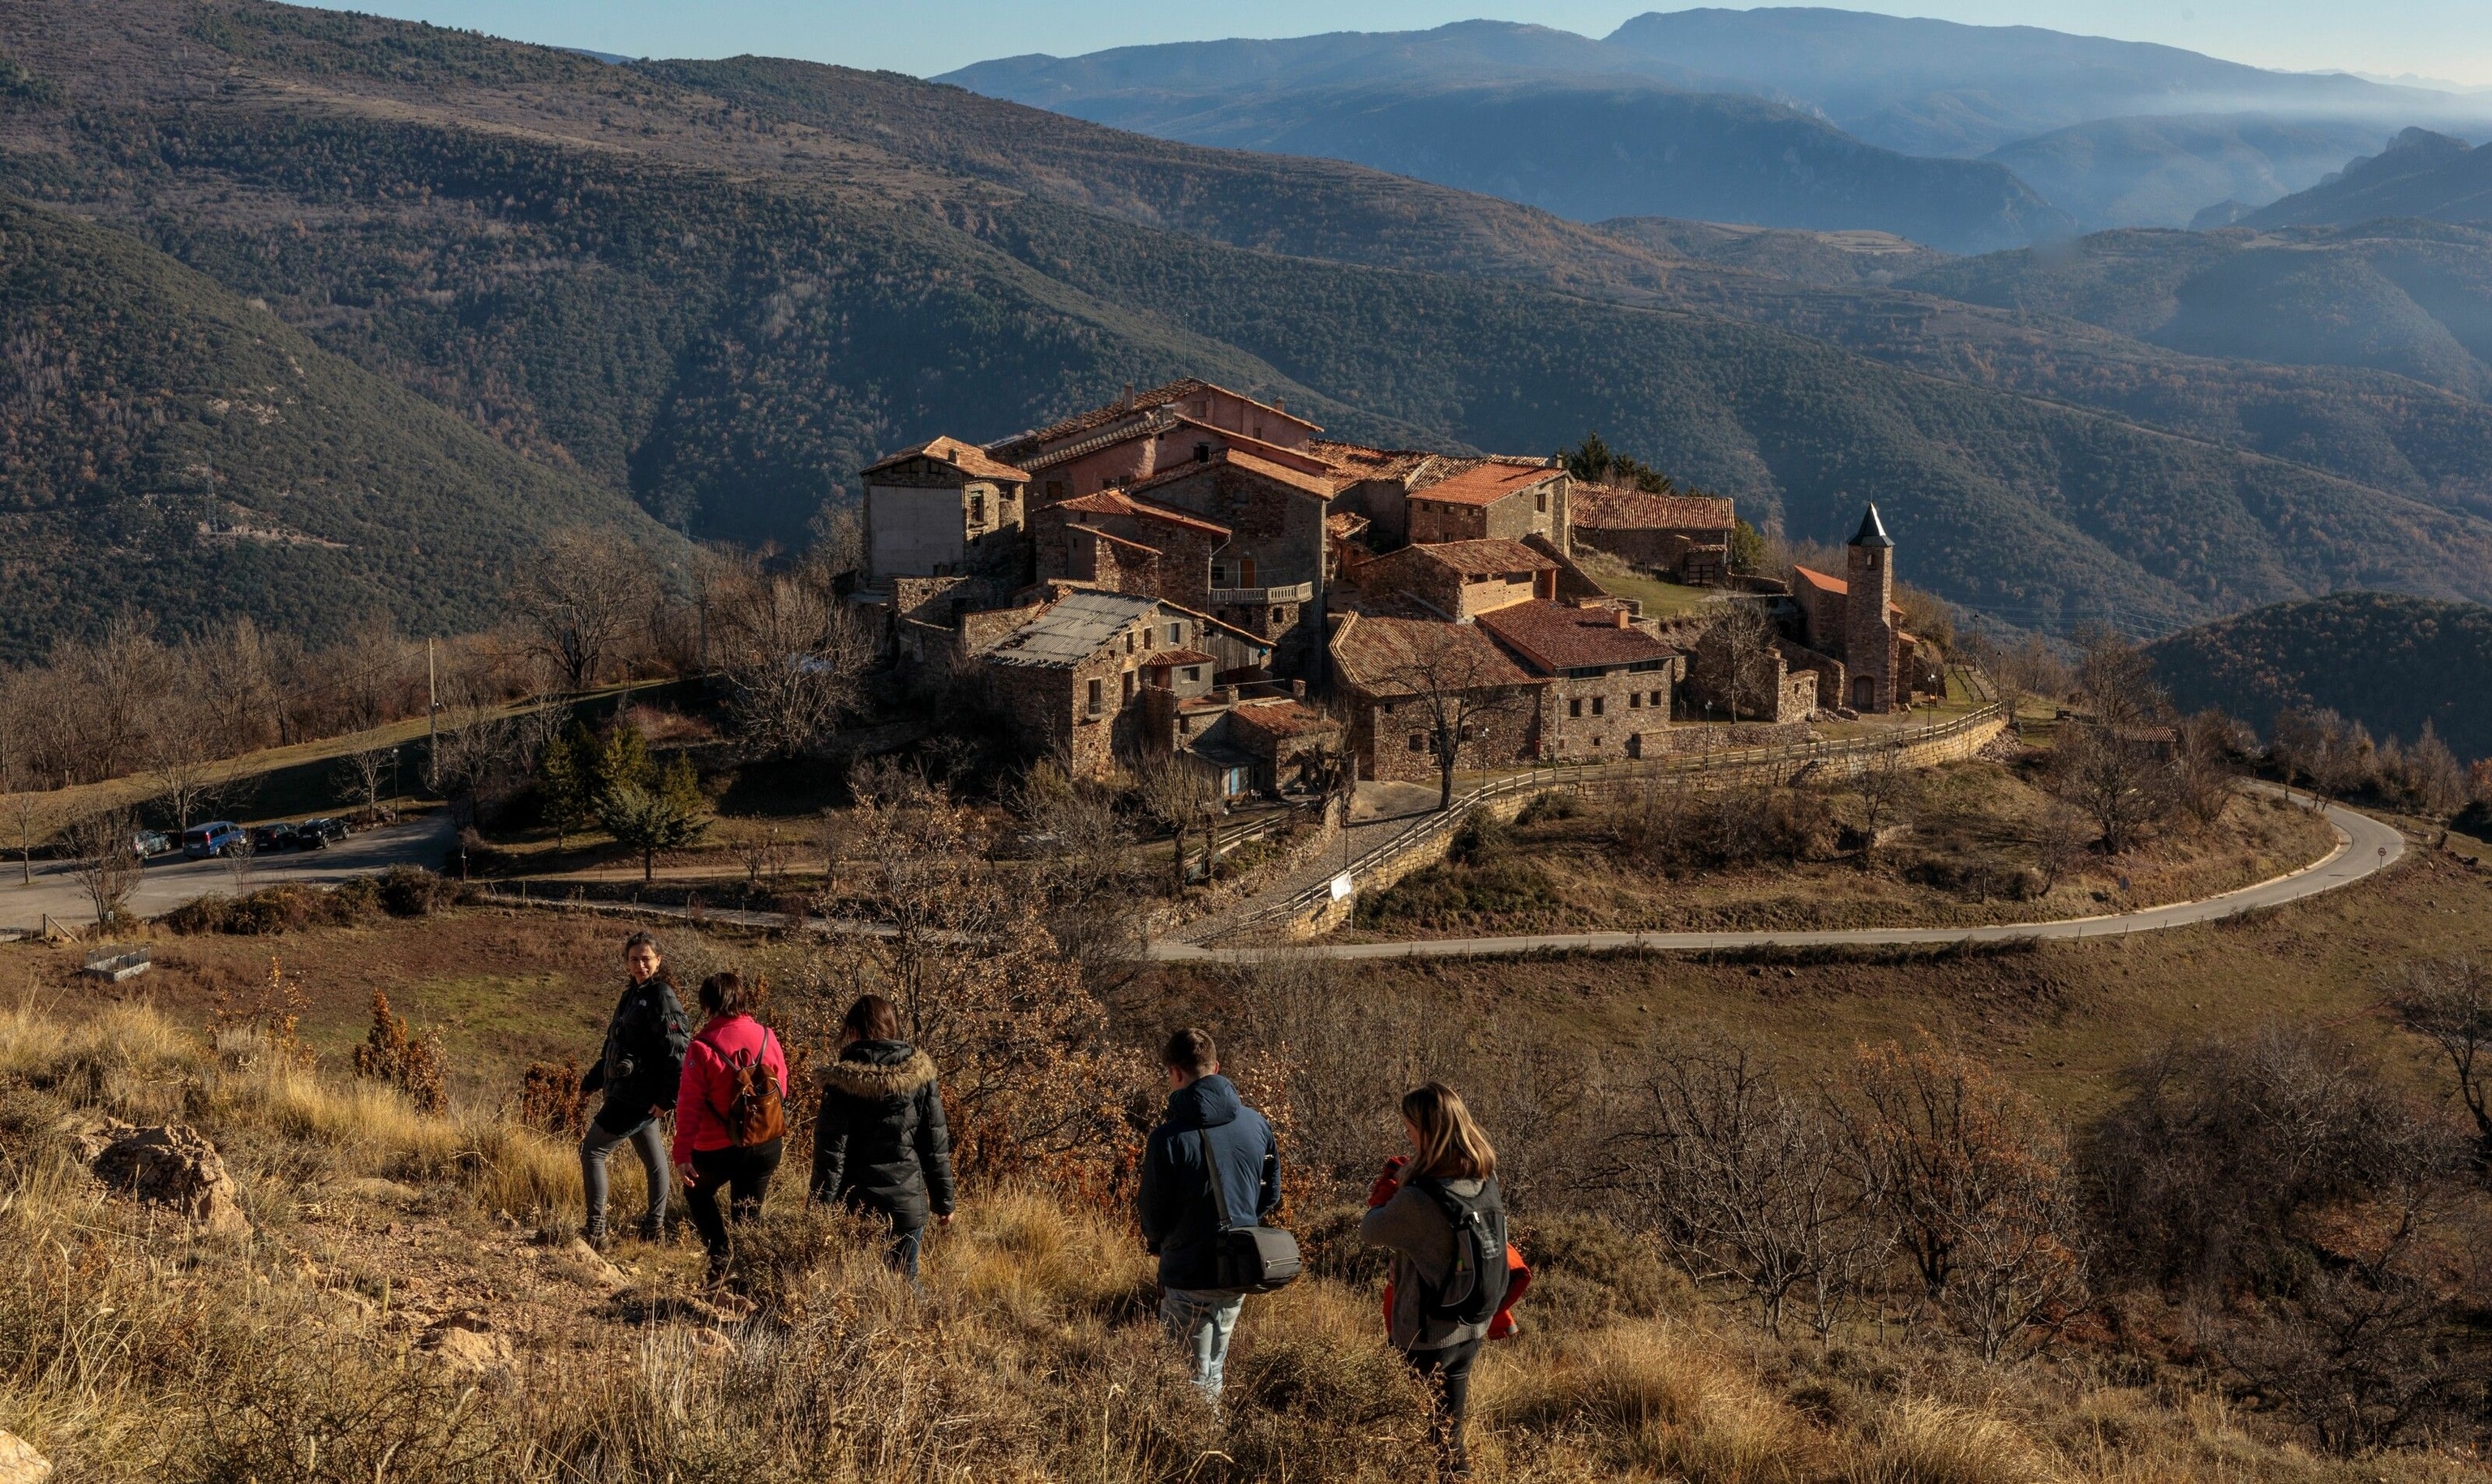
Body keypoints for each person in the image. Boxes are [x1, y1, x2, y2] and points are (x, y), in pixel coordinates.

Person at [1362, 1083, 1506, 1478]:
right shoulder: (1481, 1177)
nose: (1406, 1132)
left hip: (1424, 1337)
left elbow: (1370, 1230)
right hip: (1469, 1326)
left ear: (1427, 1131)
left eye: (1409, 1125)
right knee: (1448, 1437)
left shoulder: (1419, 1197)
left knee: (1408, 1438)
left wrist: (1393, 1187)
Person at [1136, 1027, 1280, 1405]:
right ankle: (1215, 1442)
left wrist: (1162, 1244)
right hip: (1241, 1265)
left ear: (1175, 1073)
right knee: (1213, 1366)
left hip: (1187, 1269)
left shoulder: (1167, 1138)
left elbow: (1152, 1216)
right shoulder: (1257, 1124)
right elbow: (1271, 1194)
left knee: (1189, 1378)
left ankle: (1201, 1451)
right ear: (1216, 1067)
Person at [810, 993, 955, 1281]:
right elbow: (934, 1146)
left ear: (853, 1031)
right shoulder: (920, 1076)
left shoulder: (841, 1082)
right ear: (891, 1027)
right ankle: (921, 1324)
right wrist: (944, 1203)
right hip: (907, 1204)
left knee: (852, 1285)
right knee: (906, 1280)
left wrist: (817, 1212)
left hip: (855, 1205)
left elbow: (831, 1156)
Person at [670, 971, 789, 1279]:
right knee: (748, 1216)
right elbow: (783, 1088)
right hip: (764, 1143)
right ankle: (751, 1278)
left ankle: (720, 1259)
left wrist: (682, 1154)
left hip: (716, 1149)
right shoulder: (767, 1035)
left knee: (697, 1193)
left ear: (707, 1004)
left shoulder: (702, 1046)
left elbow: (689, 1106)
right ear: (741, 998)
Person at [578, 930, 690, 1247]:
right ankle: (654, 1231)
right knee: (655, 1164)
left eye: (646, 959)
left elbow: (678, 1051)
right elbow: (614, 1047)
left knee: (592, 1152)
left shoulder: (662, 996)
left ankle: (596, 1233)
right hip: (629, 1091)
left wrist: (668, 1098)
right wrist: (592, 1081)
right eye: (634, 959)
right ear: (627, 963)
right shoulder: (631, 995)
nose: (640, 965)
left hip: (638, 1096)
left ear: (658, 961)